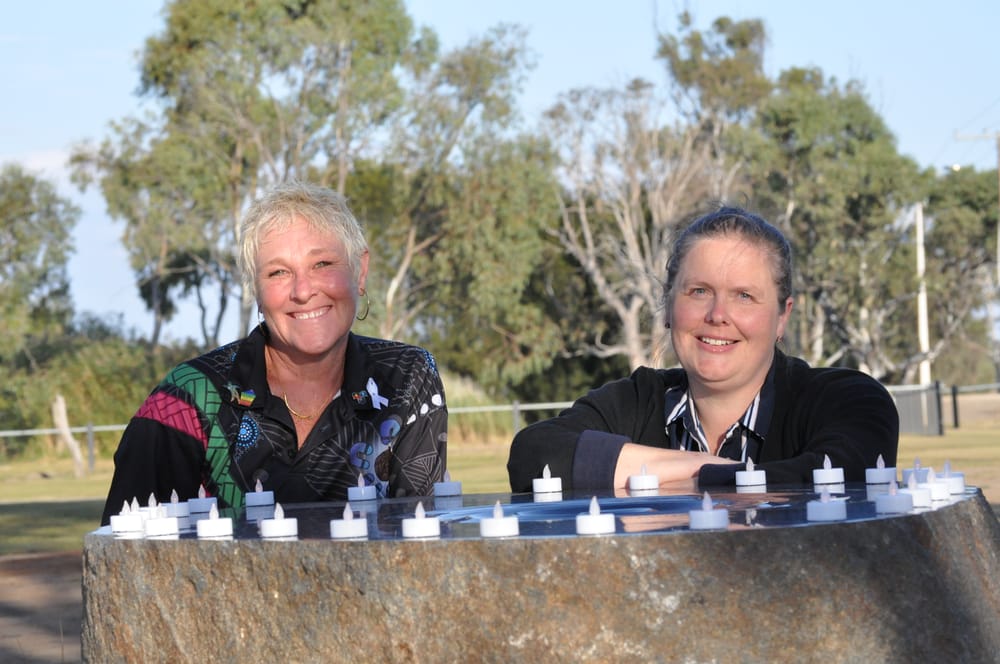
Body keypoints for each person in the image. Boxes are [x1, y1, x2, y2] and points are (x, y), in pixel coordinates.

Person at [101, 181, 447, 524]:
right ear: (255, 288)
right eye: (278, 272)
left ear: (361, 270)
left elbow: (418, 540)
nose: (303, 290)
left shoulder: (405, 376)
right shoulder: (186, 397)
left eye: (322, 264)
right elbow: (123, 555)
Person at [507, 205, 898, 492]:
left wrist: (655, 475)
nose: (718, 315)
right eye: (699, 292)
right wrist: (703, 465)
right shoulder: (637, 399)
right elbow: (534, 456)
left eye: (744, 296)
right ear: (668, 305)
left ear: (782, 317)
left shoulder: (846, 400)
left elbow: (837, 475)